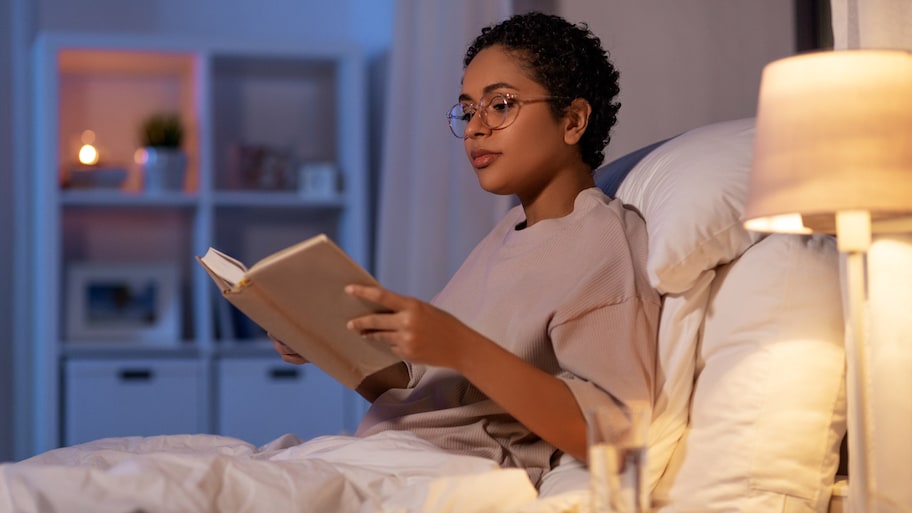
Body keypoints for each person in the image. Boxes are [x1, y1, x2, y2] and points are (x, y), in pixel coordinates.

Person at [273, 11, 660, 492]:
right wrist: (329, 342)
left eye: (500, 105)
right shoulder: (507, 234)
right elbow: (426, 397)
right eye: (467, 109)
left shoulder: (603, 244)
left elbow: (616, 439)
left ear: (574, 120)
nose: (475, 128)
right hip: (377, 455)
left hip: (440, 479)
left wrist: (459, 345)